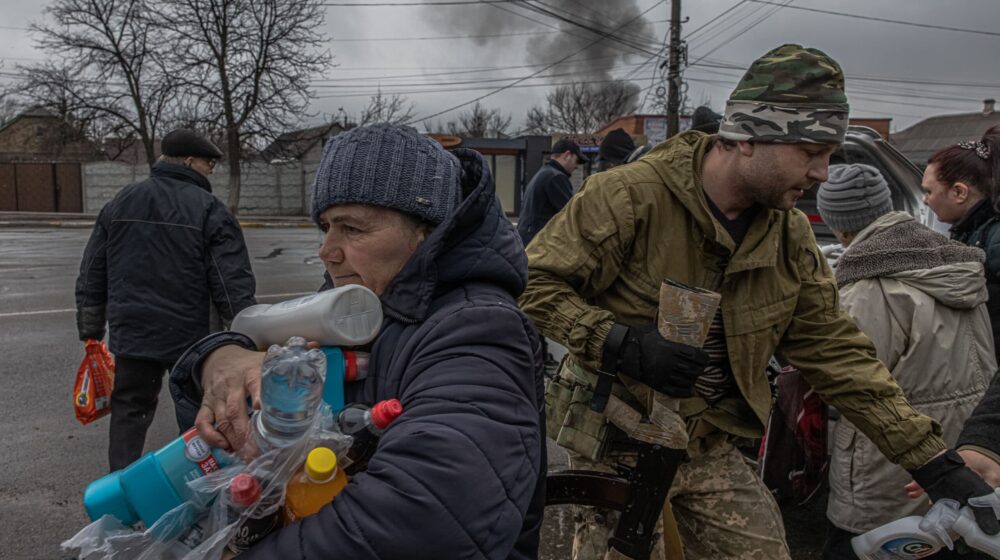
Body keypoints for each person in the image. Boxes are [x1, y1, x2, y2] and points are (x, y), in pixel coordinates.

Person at [519, 43, 1000, 560]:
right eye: (810, 153)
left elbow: (840, 355)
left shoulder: (788, 236)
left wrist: (934, 463)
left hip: (710, 447)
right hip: (616, 445)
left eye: (828, 155)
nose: (822, 173)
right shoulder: (629, 197)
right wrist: (617, 342)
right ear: (747, 138)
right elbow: (531, 283)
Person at [169, 123, 546, 558]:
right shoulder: (364, 304)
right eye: (326, 226)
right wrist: (217, 358)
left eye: (352, 228)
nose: (326, 250)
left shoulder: (479, 330)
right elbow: (223, 438)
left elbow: (428, 519)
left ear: (426, 231)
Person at [816, 164, 995, 560]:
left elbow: (850, 378)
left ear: (839, 227)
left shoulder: (867, 287)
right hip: (965, 449)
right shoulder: (955, 262)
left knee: (868, 548)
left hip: (891, 464)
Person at [75, 129, 256, 472]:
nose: (211, 170)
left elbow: (93, 269)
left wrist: (91, 328)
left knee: (130, 408)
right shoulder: (210, 209)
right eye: (208, 163)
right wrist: (246, 333)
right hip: (190, 336)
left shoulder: (121, 202)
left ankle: (120, 484)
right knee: (194, 412)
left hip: (133, 331)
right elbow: (230, 280)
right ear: (188, 161)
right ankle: (195, 482)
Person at [921, 127, 1000, 363]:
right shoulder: (972, 230)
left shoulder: (994, 237)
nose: (924, 201)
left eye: (928, 191)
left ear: (959, 192)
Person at [516, 137, 588, 246]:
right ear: (567, 155)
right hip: (540, 243)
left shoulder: (544, 173)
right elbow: (571, 214)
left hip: (529, 240)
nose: (576, 166)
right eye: (577, 161)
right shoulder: (556, 177)